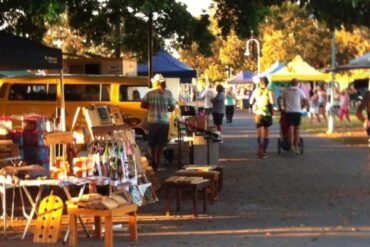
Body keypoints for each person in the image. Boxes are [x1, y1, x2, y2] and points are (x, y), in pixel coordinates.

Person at [141, 74, 176, 170]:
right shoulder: (168, 93)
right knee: (161, 144)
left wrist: (152, 108)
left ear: (155, 83)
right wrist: (164, 110)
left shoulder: (150, 93)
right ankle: (159, 161)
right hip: (164, 122)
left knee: (153, 143)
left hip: (152, 121)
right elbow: (172, 107)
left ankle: (154, 160)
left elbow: (142, 105)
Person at [280, 78, 308, 154]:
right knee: (297, 129)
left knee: (290, 129)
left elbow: (279, 99)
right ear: (297, 83)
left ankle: (291, 146)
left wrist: (281, 108)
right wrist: (301, 107)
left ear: (290, 83)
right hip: (297, 112)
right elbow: (305, 100)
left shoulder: (285, 90)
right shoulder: (300, 91)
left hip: (289, 112)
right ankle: (296, 146)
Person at [249, 77, 274, 159]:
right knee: (266, 132)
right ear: (267, 83)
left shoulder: (256, 90)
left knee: (259, 131)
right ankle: (264, 150)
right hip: (266, 113)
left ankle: (260, 146)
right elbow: (272, 102)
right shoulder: (269, 91)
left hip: (258, 113)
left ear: (260, 83)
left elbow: (250, 101)